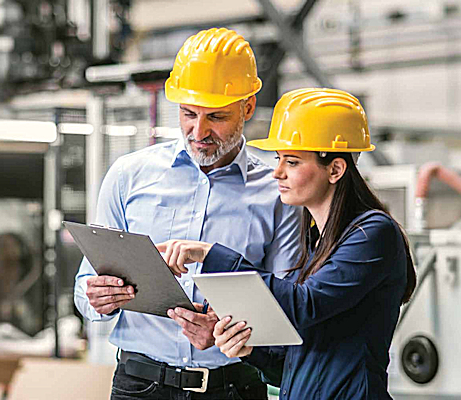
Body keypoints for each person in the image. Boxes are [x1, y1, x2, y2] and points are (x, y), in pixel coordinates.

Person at [73, 28, 301, 400]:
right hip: (140, 385)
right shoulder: (129, 175)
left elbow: (287, 306)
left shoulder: (278, 192)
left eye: (217, 117)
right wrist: (97, 299)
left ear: (247, 107)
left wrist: (230, 328)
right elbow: (86, 287)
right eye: (188, 114)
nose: (199, 131)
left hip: (233, 388)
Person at [157, 88, 418, 400]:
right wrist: (250, 348)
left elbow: (304, 305)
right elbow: (295, 363)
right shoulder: (317, 242)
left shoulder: (372, 233)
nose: (277, 172)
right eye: (278, 158)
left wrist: (209, 254)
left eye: (291, 162)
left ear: (335, 169)